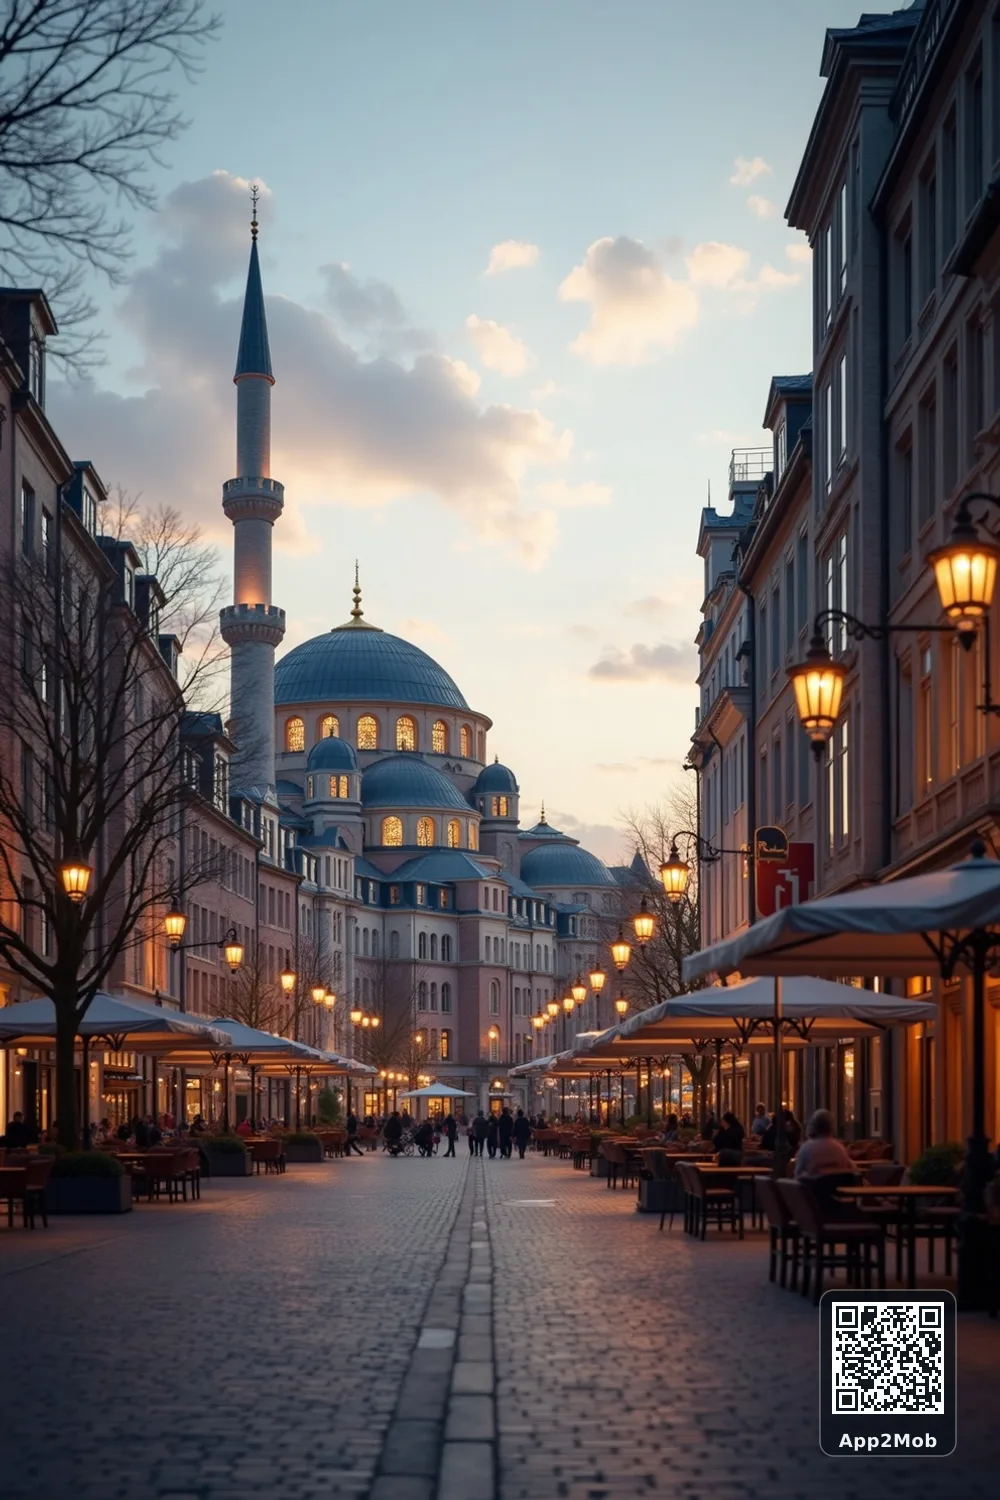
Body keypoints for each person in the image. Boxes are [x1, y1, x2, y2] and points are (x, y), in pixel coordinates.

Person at [794, 1110, 856, 1188]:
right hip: (838, 1194)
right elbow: (850, 1168)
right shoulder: (839, 1148)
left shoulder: (806, 1148)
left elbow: (798, 1174)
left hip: (814, 1195)